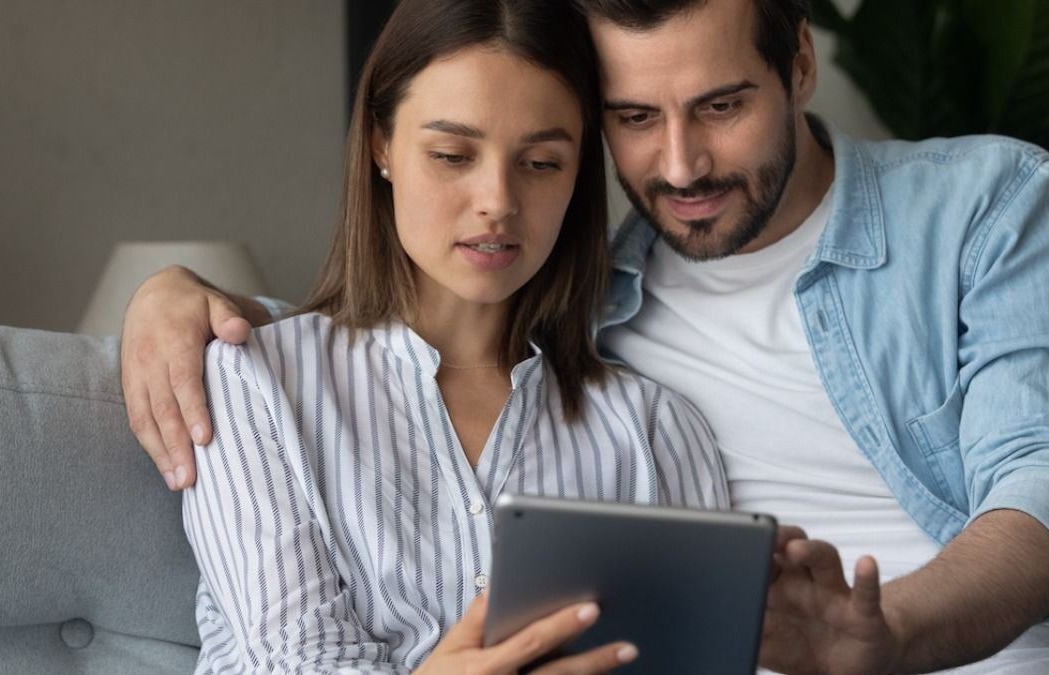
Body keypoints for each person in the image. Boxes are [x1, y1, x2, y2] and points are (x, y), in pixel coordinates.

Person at [124, 0, 1049, 672]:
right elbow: (393, 340)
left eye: (722, 106)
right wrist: (173, 296)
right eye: (636, 117)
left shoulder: (989, 205)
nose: (682, 163)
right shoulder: (599, 307)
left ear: (801, 64)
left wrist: (890, 633)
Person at [176, 0, 730, 672]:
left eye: (542, 162)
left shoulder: (657, 431)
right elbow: (298, 661)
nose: (497, 199)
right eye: (452, 154)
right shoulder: (255, 385)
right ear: (382, 145)